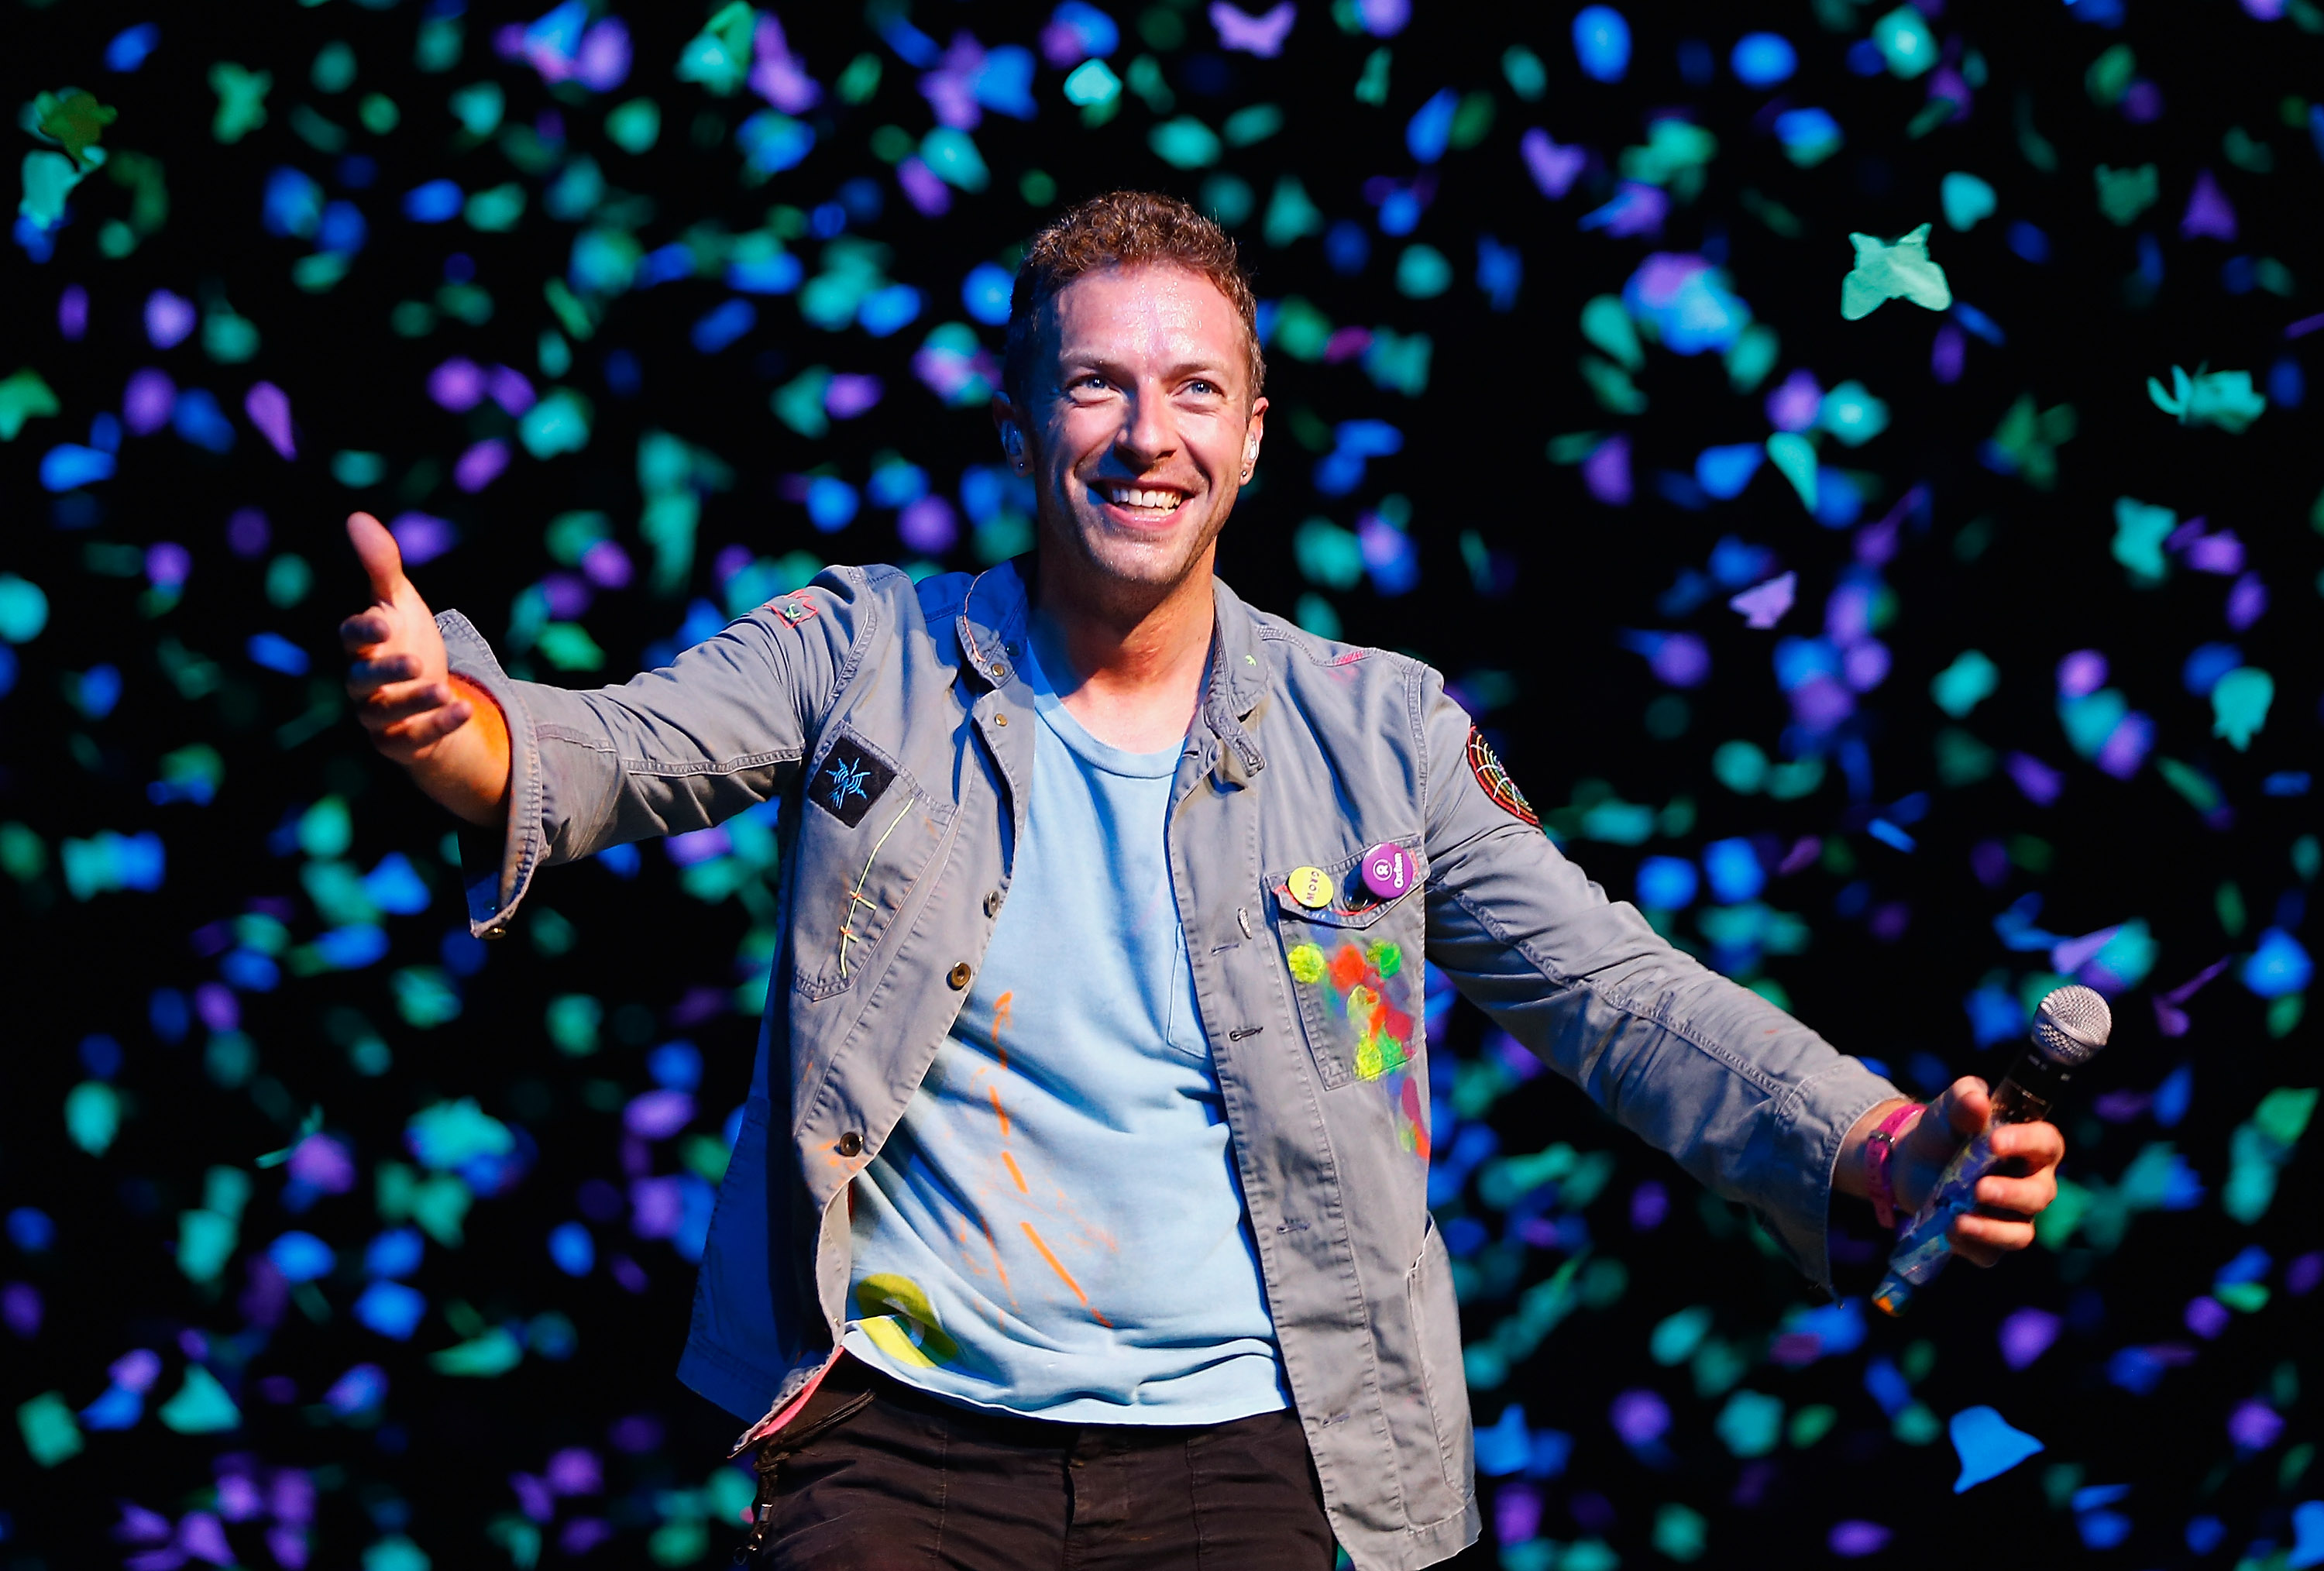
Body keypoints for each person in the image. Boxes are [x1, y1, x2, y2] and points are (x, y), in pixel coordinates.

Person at [340, 191, 2065, 1570]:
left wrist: (1864, 1138)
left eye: (1191, 393)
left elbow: (1611, 994)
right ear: (1024, 423)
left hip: (1262, 1446)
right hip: (903, 1442)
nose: (1142, 434)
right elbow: (599, 754)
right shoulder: (862, 652)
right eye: (1095, 384)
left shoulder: (1379, 731)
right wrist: (447, 717)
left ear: (1249, 439)